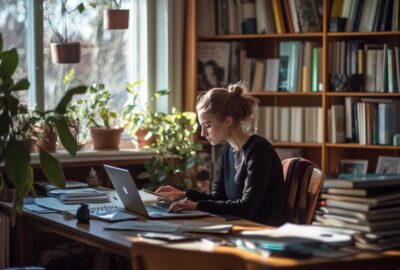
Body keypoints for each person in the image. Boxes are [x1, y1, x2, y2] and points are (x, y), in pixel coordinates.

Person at [156, 83, 285, 226]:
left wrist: (197, 205)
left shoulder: (259, 149)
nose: (203, 133)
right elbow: (219, 196)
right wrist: (186, 195)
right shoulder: (228, 150)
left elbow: (247, 209)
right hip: (239, 224)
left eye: (207, 126)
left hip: (261, 230)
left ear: (228, 121)